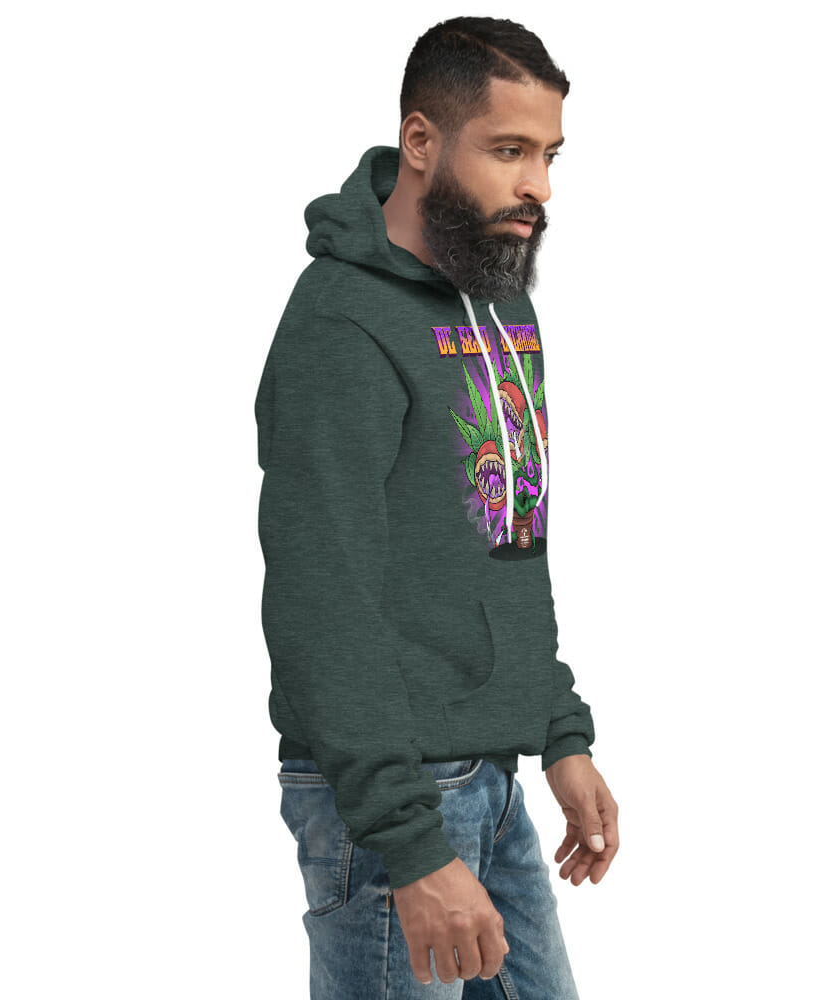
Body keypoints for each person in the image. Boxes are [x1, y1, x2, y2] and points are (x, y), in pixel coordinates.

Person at [255, 16, 620, 998]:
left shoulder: (499, 300)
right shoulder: (341, 324)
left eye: (548, 155)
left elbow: (510, 539)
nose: (539, 186)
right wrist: (411, 843)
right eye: (508, 151)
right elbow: (319, 602)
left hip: (490, 777)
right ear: (421, 141)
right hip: (391, 802)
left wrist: (559, 731)